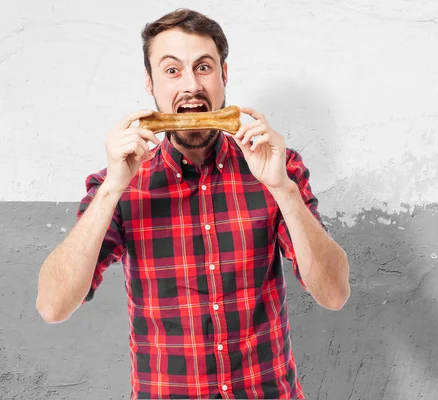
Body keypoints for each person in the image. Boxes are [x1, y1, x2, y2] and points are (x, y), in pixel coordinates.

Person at [35, 8, 350, 400]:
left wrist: (283, 188)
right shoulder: (118, 183)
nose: (191, 85)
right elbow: (52, 306)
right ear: (150, 84)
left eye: (204, 67)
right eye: (172, 71)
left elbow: (334, 294)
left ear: (224, 77)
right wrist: (113, 189)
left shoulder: (277, 167)